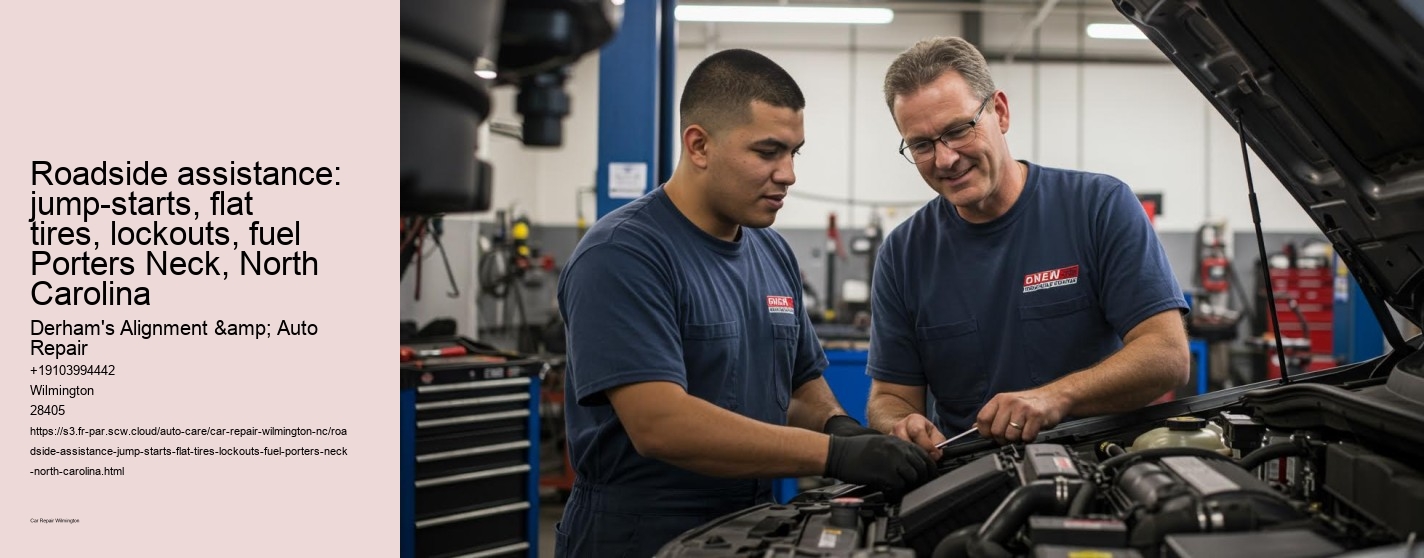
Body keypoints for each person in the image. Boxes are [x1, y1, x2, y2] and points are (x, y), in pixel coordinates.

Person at [555, 49, 936, 558]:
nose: (788, 175)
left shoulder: (769, 249)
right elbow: (660, 426)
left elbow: (800, 386)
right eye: (767, 151)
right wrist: (835, 453)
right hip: (639, 529)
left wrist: (838, 424)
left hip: (747, 524)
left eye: (794, 152)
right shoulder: (623, 254)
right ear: (699, 145)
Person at [865, 37, 1190, 455]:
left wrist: (1056, 396)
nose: (945, 159)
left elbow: (1167, 355)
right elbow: (890, 395)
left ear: (999, 112)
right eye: (922, 145)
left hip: (1099, 473)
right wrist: (901, 424)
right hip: (968, 480)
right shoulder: (903, 253)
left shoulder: (1098, 207)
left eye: (958, 130)